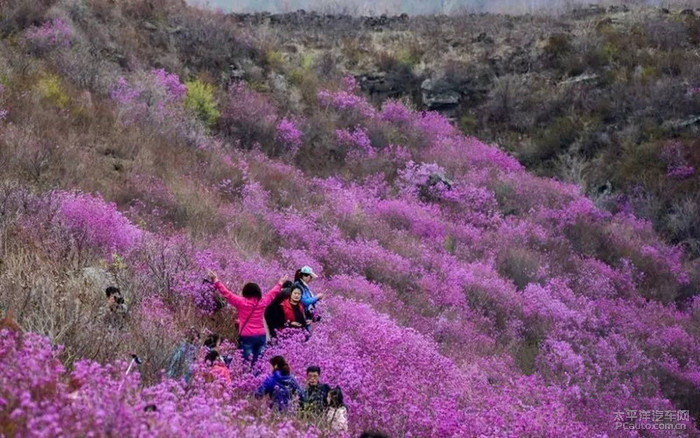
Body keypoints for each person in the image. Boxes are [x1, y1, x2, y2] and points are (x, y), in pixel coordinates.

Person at [207, 270, 286, 364]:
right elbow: (272, 293)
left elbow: (227, 294)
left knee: (246, 362)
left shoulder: (241, 302)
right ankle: (257, 377)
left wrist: (216, 280)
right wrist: (280, 283)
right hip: (261, 335)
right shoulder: (262, 302)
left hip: (247, 336)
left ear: (245, 292)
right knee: (258, 362)